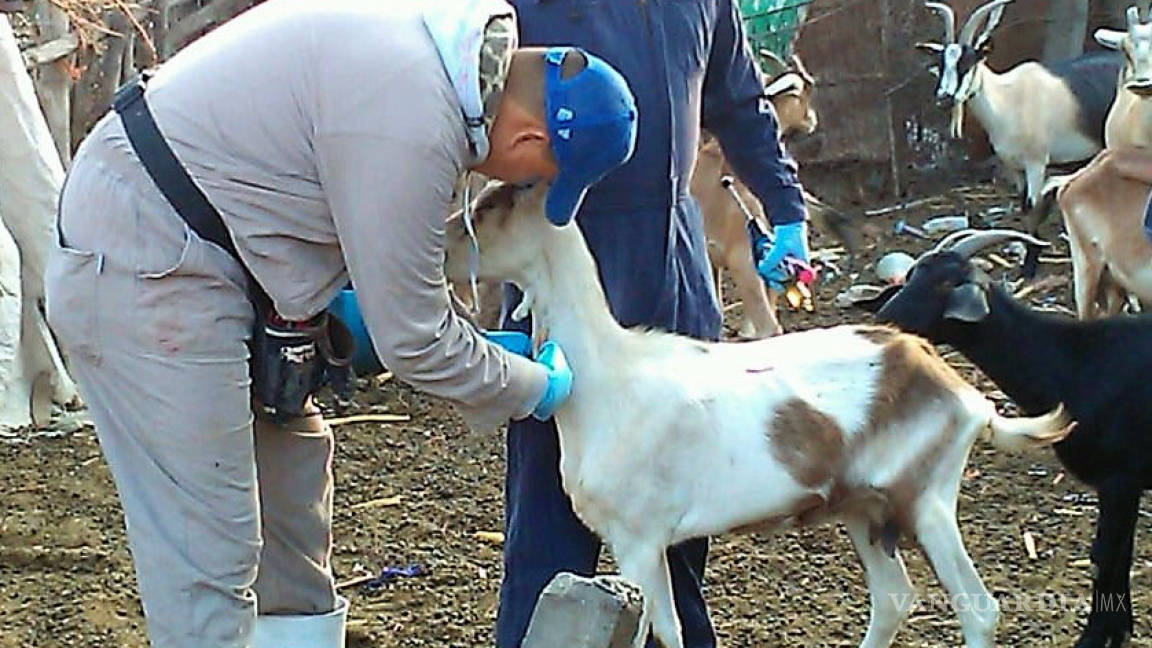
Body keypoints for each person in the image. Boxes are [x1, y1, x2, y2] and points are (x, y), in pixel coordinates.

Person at [43, 0, 636, 646]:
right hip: (148, 252)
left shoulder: (441, 60)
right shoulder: (415, 115)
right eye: (541, 178)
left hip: (227, 255)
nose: (521, 185)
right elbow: (416, 340)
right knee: (209, 545)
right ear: (529, 140)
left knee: (291, 496)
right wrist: (530, 386)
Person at [496, 1, 811, 646]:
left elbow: (739, 99)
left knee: (680, 508)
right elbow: (471, 104)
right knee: (552, 510)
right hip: (570, 250)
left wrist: (784, 207)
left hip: (675, 264)